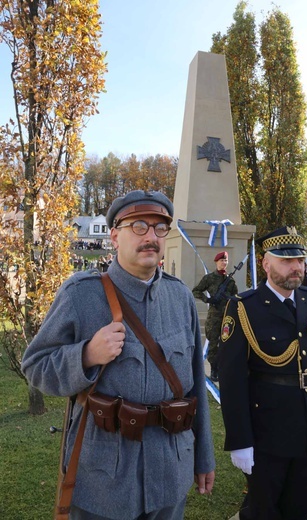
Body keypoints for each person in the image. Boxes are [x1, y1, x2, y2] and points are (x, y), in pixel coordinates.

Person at [22, 190, 215, 520]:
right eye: (138, 226)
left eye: (159, 228)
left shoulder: (180, 297)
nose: (150, 237)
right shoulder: (81, 295)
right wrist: (85, 355)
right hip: (103, 480)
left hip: (170, 472)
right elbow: (35, 366)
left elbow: (196, 384)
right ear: (114, 236)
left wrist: (203, 456)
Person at [218, 226, 307, 520]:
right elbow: (232, 381)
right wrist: (240, 439)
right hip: (268, 434)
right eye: (286, 260)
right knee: (264, 512)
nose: (296, 267)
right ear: (266, 264)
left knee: (301, 510)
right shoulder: (244, 309)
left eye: (300, 260)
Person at [192, 251, 238, 382]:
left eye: (226, 261)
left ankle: (224, 367)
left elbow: (235, 297)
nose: (224, 263)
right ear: (216, 262)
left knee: (227, 342)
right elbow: (196, 291)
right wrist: (207, 300)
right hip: (214, 315)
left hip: (227, 315)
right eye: (221, 260)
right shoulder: (209, 278)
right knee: (213, 342)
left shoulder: (230, 280)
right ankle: (214, 369)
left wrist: (229, 299)